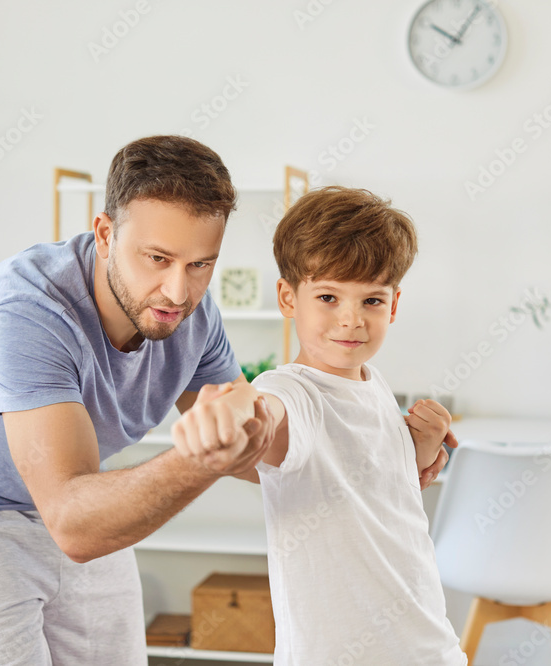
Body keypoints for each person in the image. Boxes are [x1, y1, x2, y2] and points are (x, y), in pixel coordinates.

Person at [0, 135, 275, 665]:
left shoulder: (194, 315)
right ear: (105, 234)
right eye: (157, 258)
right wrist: (202, 458)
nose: (177, 292)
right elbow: (74, 526)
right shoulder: (27, 312)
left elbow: (259, 451)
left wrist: (370, 445)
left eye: (200, 264)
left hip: (78, 490)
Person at [172, 186, 467, 665]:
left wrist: (423, 448)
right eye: (328, 297)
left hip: (429, 647)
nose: (351, 320)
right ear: (288, 298)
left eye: (372, 301)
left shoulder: (373, 384)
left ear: (394, 306)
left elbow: (369, 484)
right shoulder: (293, 391)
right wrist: (233, 412)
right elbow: (266, 411)